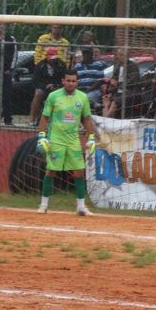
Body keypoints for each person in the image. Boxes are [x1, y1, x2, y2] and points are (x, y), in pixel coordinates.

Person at [36, 68, 98, 216]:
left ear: (77, 82)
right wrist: (42, 136)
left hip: (73, 140)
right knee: (51, 171)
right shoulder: (53, 96)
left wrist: (91, 137)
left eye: (73, 81)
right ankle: (43, 205)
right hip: (56, 139)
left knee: (79, 172)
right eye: (68, 80)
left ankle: (81, 207)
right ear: (63, 81)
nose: (71, 83)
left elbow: (86, 119)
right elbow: (44, 117)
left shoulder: (83, 97)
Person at [29, 47, 68, 125]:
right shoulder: (40, 65)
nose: (53, 60)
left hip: (57, 87)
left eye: (54, 58)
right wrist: (45, 86)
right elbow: (35, 80)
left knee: (58, 93)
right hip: (43, 87)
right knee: (38, 93)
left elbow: (65, 79)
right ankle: (32, 118)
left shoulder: (62, 65)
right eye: (51, 58)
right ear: (47, 57)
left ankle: (58, 119)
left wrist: (56, 85)